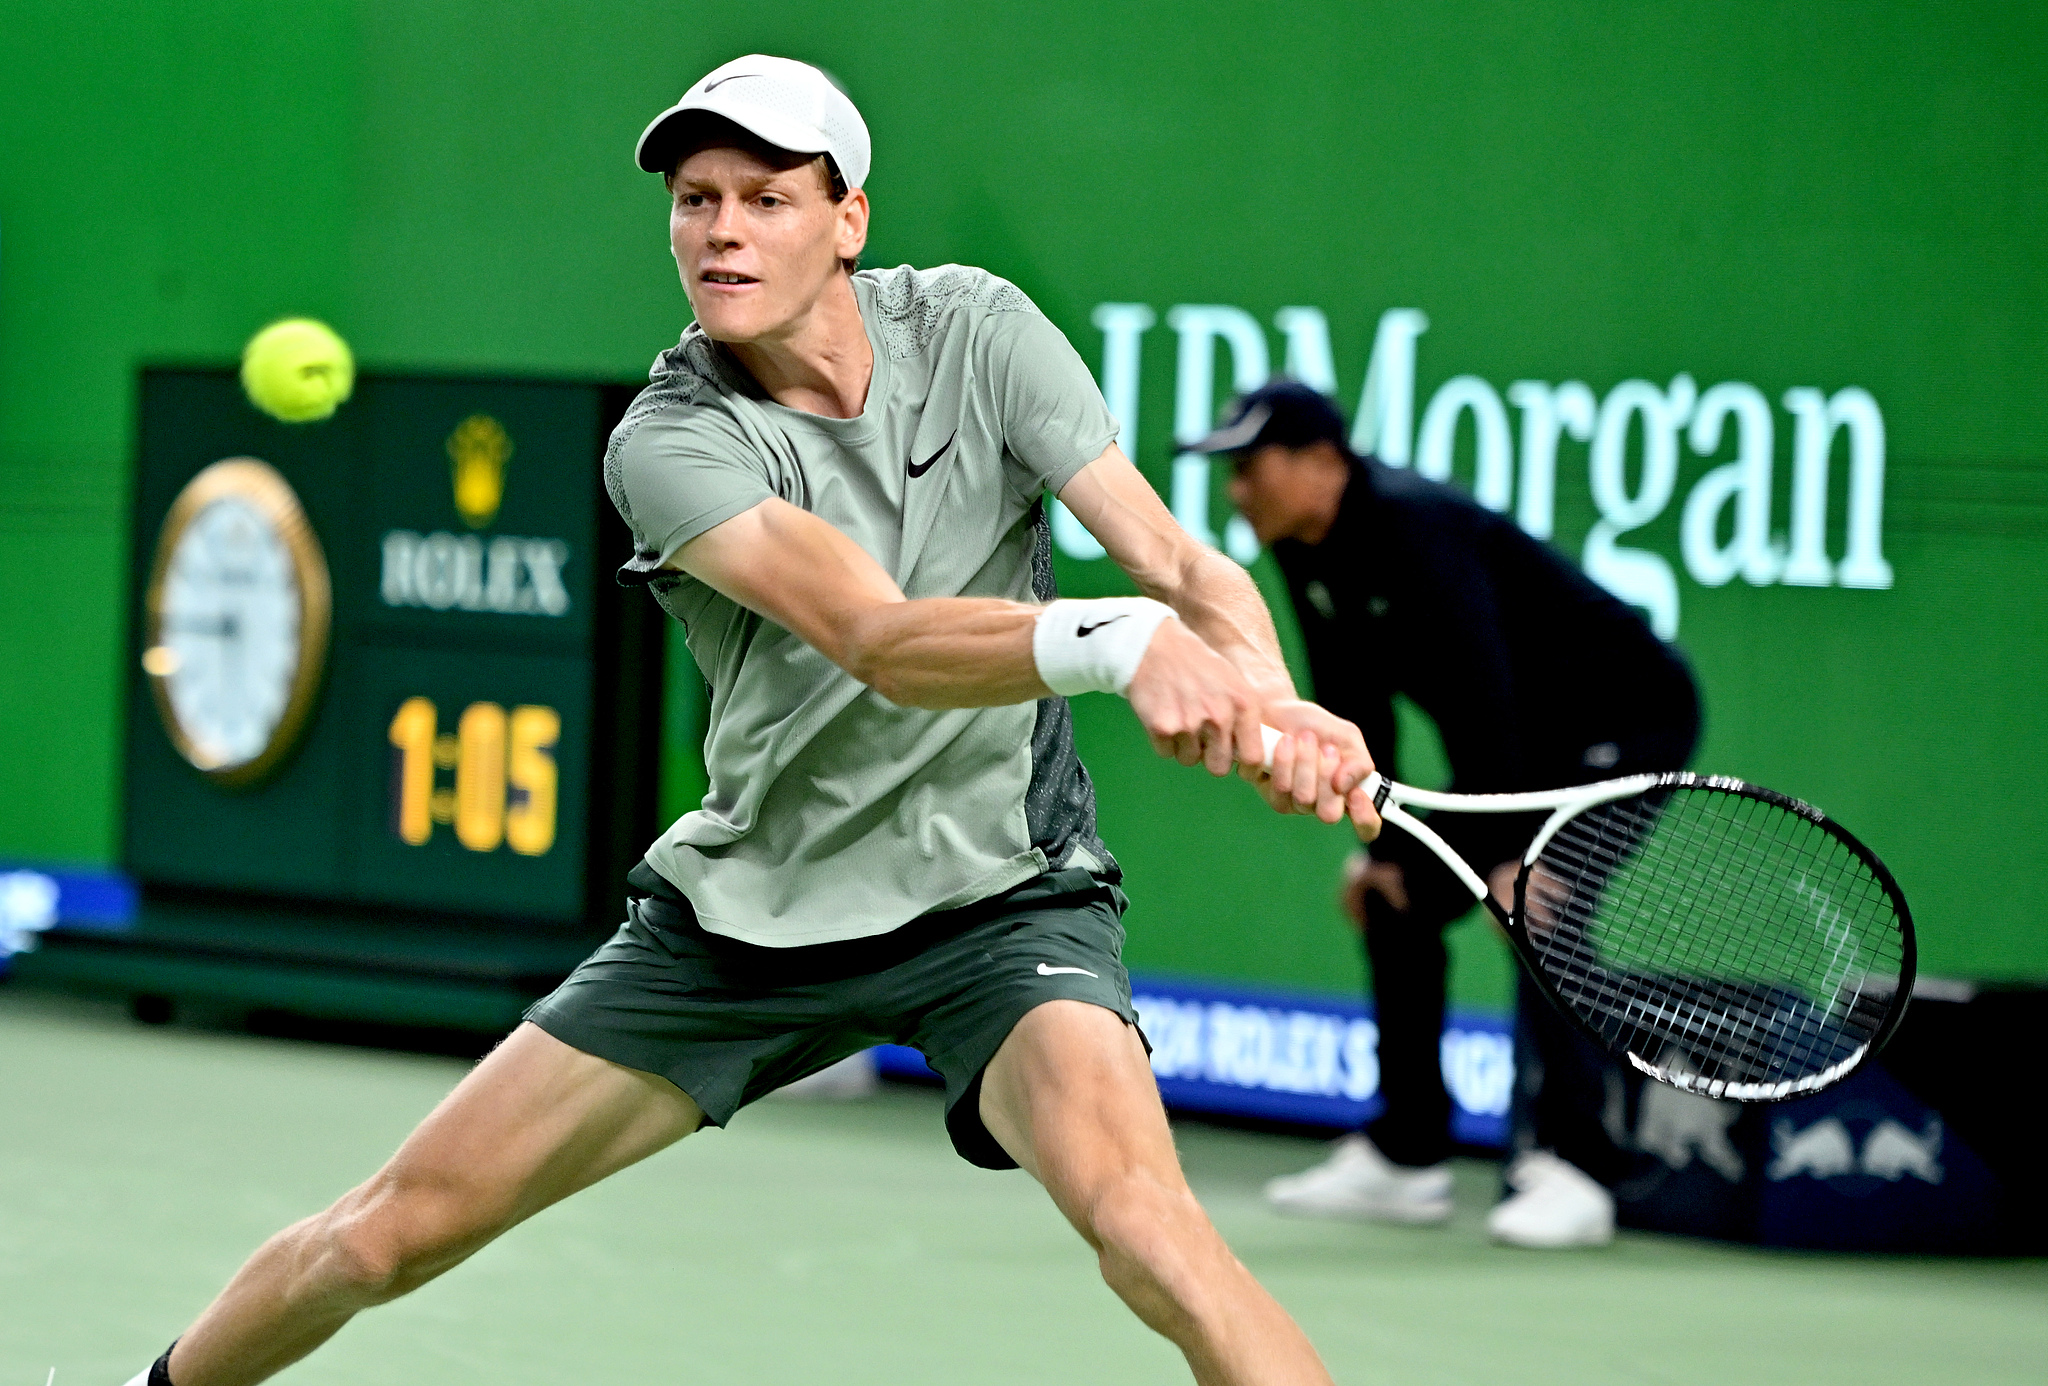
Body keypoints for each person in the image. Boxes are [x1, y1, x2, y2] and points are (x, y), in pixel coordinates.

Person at [119, 57, 1386, 1386]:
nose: (722, 228)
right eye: (695, 197)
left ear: (849, 218)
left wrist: (1273, 695)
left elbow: (1181, 564)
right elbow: (879, 639)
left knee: (1152, 1233)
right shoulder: (671, 439)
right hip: (745, 921)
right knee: (384, 1241)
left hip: (1001, 903)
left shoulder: (977, 330)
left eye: (767, 197)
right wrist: (1121, 645)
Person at [1197, 381, 1700, 1249]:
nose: (1237, 490)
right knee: (1388, 896)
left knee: (1540, 905)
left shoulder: (1414, 527)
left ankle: (1579, 1168)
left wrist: (1511, 859)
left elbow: (1482, 699)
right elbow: (1354, 711)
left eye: (1251, 467)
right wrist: (1384, 843)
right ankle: (1408, 1154)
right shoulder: (1300, 541)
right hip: (1522, 750)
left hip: (1623, 716)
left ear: (1323, 463)